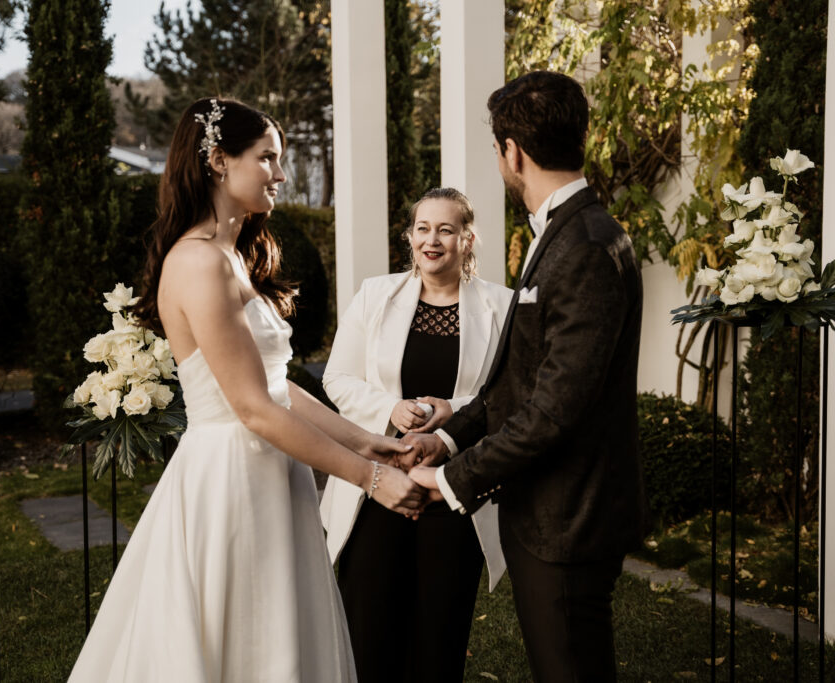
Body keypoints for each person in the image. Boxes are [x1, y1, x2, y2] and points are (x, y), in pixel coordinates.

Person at [68, 97, 423, 682]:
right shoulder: (198, 262)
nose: (280, 175)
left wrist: (370, 443)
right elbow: (254, 409)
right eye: (267, 159)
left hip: (271, 471)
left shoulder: (232, 256)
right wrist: (372, 481)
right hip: (230, 478)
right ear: (216, 160)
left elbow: (276, 386)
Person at [407, 71, 650, 682]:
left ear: (511, 152)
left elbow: (555, 408)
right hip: (547, 511)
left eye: (496, 150)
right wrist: (450, 435)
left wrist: (450, 479)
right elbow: (518, 375)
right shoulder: (566, 233)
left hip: (568, 517)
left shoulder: (588, 245)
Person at [318, 187, 514, 682]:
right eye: (423, 229)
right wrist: (391, 408)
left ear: (467, 239)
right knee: (368, 629)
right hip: (377, 487)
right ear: (409, 237)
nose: (433, 240)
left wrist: (455, 409)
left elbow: (511, 395)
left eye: (446, 229)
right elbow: (336, 379)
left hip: (454, 493)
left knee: (439, 637)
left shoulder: (501, 307)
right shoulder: (374, 295)